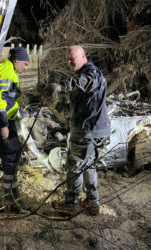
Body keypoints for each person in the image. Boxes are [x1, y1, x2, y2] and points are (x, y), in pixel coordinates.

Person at [52, 45, 111, 216]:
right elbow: (84, 100)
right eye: (68, 59)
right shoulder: (85, 75)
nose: (70, 62)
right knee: (88, 164)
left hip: (87, 130)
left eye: (72, 58)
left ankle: (71, 203)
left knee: (74, 165)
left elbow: (86, 83)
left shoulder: (91, 73)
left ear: (83, 56)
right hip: (94, 129)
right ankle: (92, 202)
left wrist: (62, 86)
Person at [0, 46, 29, 212]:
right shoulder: (8, 72)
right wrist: (4, 124)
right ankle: (12, 201)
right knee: (10, 158)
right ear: (16, 60)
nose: (26, 67)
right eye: (25, 63)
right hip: (0, 120)